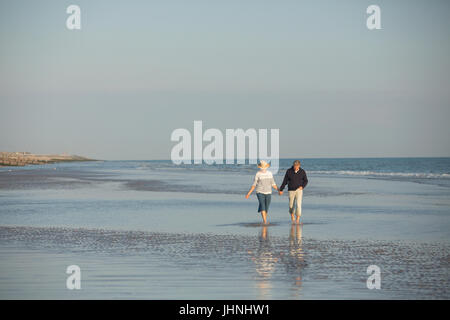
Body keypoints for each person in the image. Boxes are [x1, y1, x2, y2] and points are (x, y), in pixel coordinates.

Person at [245, 160, 279, 225]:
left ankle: (264, 219)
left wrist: (279, 189)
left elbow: (273, 183)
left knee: (266, 207)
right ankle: (265, 221)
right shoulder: (258, 174)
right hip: (259, 192)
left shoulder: (270, 173)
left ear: (266, 167)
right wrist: (249, 193)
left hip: (268, 192)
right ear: (260, 167)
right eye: (262, 167)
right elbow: (254, 184)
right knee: (263, 206)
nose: (263, 168)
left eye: (264, 167)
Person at [279, 160, 308, 224]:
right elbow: (285, 181)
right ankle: (292, 215)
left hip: (299, 190)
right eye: (295, 166)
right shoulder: (289, 171)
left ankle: (297, 219)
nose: (296, 167)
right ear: (293, 165)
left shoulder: (302, 171)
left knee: (298, 204)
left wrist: (302, 186)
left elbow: (306, 180)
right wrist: (281, 189)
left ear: (299, 165)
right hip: (291, 190)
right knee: (291, 205)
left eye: (297, 166)